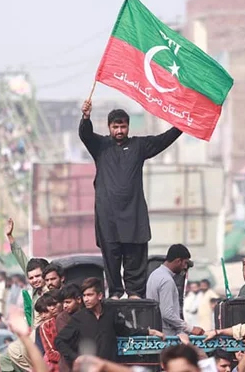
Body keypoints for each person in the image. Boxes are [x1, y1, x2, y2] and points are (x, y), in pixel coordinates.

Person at [79, 100, 182, 299]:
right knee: (111, 255)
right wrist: (85, 117)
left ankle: (134, 293)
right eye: (115, 126)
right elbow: (85, 134)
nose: (119, 130)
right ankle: (116, 292)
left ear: (128, 127)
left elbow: (163, 140)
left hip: (133, 213)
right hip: (108, 215)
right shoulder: (100, 146)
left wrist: (182, 126)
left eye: (123, 126)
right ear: (109, 127)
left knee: (135, 254)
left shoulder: (139, 146)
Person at [55, 277, 165, 366]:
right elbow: (59, 341)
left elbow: (125, 331)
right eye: (84, 296)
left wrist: (150, 332)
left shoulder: (110, 313)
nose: (86, 299)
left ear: (99, 296)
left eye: (89, 295)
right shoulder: (79, 318)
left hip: (110, 366)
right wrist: (76, 357)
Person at [147, 244, 204, 336]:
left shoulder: (154, 274)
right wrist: (190, 328)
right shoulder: (166, 280)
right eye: (185, 263)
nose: (185, 267)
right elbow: (167, 313)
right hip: (166, 335)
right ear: (178, 261)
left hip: (156, 332)